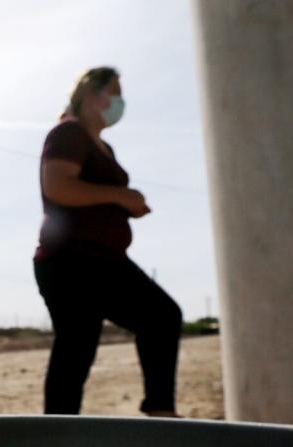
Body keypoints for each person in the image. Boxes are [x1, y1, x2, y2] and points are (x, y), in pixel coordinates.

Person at [34, 67, 183, 417]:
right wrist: (120, 194)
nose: (120, 102)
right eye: (114, 93)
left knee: (88, 343)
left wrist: (125, 204)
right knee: (81, 345)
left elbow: (95, 196)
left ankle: (157, 410)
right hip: (73, 260)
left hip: (102, 258)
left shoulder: (104, 147)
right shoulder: (69, 133)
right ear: (90, 95)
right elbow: (57, 186)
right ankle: (59, 433)